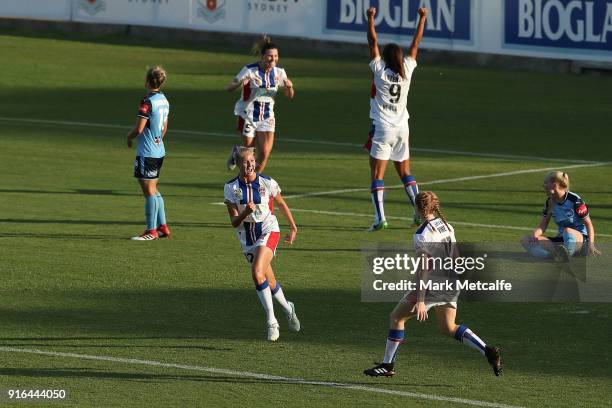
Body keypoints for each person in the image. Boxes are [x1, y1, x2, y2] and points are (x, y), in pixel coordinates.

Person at [364, 191, 502, 377]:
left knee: (397, 318)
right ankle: (487, 350)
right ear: (434, 205)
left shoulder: (422, 234)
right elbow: (456, 258)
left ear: (417, 208)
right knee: (448, 327)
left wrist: (421, 300)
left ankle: (388, 366)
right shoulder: (446, 225)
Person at [224, 149, 300, 341]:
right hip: (247, 238)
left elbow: (281, 204)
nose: (249, 165)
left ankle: (271, 321)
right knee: (269, 280)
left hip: (268, 230)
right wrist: (244, 212)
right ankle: (288, 307)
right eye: (244, 162)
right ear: (238, 164)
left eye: (251, 161)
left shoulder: (267, 182)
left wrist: (293, 227)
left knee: (257, 273)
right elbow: (234, 222)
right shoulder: (231, 187)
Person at [363, 7, 427, 231]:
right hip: (402, 128)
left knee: (377, 174)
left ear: (386, 58)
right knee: (405, 172)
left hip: (382, 128)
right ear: (400, 58)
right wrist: (422, 18)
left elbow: (372, 41)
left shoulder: (379, 70)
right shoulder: (407, 69)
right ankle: (420, 213)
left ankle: (380, 218)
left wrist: (370, 18)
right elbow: (416, 43)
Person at [226, 36, 295, 173]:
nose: (273, 59)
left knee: (264, 154)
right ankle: (237, 152)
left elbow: (290, 96)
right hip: (248, 115)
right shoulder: (250, 70)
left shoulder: (279, 72)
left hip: (267, 117)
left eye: (275, 56)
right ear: (262, 56)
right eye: (270, 56)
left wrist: (289, 87)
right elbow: (229, 87)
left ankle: (255, 182)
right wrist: (240, 83)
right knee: (249, 153)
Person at [127, 66, 171, 241]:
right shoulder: (164, 100)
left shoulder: (147, 102)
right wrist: (157, 138)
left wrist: (129, 137)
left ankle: (151, 231)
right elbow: (164, 127)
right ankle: (163, 226)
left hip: (147, 152)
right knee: (154, 189)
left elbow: (139, 128)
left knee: (149, 191)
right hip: (159, 150)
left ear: (147, 81)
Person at [521, 171, 601, 259]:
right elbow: (542, 226)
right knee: (526, 240)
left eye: (545, 183)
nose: (543, 186)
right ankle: (550, 256)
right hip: (562, 240)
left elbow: (588, 224)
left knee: (568, 231)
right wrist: (535, 235)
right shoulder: (549, 202)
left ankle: (566, 255)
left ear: (554, 186)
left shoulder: (575, 200)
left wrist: (591, 244)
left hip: (580, 241)